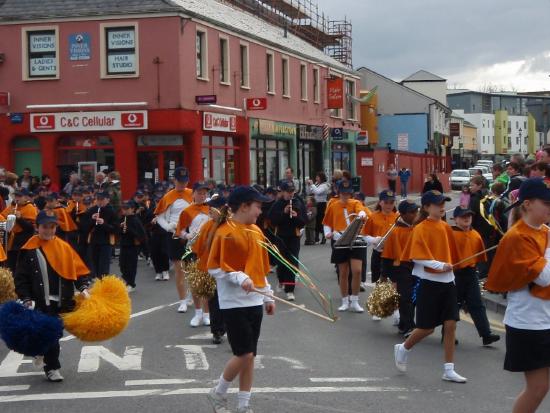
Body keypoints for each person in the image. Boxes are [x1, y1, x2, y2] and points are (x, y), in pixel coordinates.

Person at [206, 186, 275, 413]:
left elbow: (260, 268)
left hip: (255, 300)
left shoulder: (256, 231)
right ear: (244, 206)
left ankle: (244, 404)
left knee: (250, 356)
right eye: (257, 206)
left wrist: (268, 295)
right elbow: (215, 267)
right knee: (243, 353)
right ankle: (218, 392)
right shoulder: (225, 232)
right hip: (233, 303)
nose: (260, 211)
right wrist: (237, 276)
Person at [485, 178, 550, 413]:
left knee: (541, 388)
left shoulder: (544, 232)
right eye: (546, 203)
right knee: (538, 388)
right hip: (529, 323)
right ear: (528, 204)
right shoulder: (517, 237)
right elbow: (543, 276)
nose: (549, 208)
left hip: (545, 318)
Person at [395, 190, 467, 383]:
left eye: (443, 203)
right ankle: (403, 348)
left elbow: (452, 255)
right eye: (437, 204)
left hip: (448, 283)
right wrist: (440, 265)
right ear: (426, 208)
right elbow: (417, 256)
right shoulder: (420, 228)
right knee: (427, 329)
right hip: (429, 283)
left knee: (450, 324)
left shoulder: (445, 227)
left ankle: (448, 369)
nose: (442, 207)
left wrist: (450, 268)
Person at [14, 210, 90, 382]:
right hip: (39, 302)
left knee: (53, 334)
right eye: (44, 227)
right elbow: (21, 277)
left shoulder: (64, 247)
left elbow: (77, 271)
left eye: (52, 227)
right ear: (37, 227)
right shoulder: (29, 248)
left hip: (62, 301)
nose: (48, 230)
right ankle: (53, 367)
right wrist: (25, 297)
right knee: (50, 335)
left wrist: (83, 287)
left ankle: (43, 355)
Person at [451, 206, 500, 346]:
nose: (466, 218)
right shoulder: (450, 234)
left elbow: (479, 257)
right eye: (462, 216)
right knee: (453, 305)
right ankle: (448, 333)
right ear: (455, 219)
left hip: (471, 273)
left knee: (477, 304)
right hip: (455, 274)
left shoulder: (475, 234)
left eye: (469, 216)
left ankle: (486, 334)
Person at [322, 180, 368, 313]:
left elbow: (361, 212)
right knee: (343, 272)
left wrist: (361, 215)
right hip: (340, 240)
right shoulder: (333, 205)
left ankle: (355, 300)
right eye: (343, 193)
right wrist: (327, 233)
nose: (345, 195)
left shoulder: (356, 203)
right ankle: (344, 300)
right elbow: (327, 222)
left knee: (357, 270)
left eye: (348, 193)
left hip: (355, 240)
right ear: (339, 192)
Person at [154, 167, 193, 312]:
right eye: (180, 181)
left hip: (191, 234)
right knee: (179, 269)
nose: (183, 184)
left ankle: (190, 295)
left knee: (192, 268)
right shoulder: (168, 196)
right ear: (174, 180)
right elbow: (159, 217)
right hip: (174, 234)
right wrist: (168, 226)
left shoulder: (193, 194)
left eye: (185, 181)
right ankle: (182, 300)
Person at [191, 195, 228, 344]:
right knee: (214, 300)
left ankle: (223, 328)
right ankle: (217, 330)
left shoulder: (229, 225)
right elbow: (198, 248)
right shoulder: (207, 226)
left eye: (212, 207)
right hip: (212, 268)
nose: (209, 210)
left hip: (227, 269)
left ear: (220, 209)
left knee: (225, 299)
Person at [381, 199, 419, 336]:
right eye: (412, 212)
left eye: (416, 211)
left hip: (416, 268)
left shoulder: (416, 228)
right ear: (403, 214)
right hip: (401, 267)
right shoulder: (395, 232)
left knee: (412, 298)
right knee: (405, 298)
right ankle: (409, 326)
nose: (416, 214)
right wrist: (384, 275)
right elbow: (387, 255)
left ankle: (404, 323)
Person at [176, 182, 211, 326]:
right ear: (193, 194)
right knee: (195, 283)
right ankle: (197, 314)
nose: (202, 196)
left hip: (209, 250)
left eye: (204, 193)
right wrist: (187, 236)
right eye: (200, 193)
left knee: (207, 284)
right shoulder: (187, 211)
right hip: (193, 250)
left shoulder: (211, 209)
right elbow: (180, 230)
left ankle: (207, 314)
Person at [267, 181, 307, 301]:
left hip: (294, 236)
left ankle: (290, 290)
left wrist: (296, 216)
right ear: (283, 192)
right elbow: (272, 221)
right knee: (281, 261)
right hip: (280, 236)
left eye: (292, 191)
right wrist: (284, 213)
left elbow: (304, 221)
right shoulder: (277, 204)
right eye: (288, 192)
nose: (291, 194)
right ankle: (281, 280)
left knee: (292, 261)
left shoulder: (298, 202)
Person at [1, 188, 38, 273]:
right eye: (16, 196)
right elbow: (2, 217)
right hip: (11, 240)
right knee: (9, 265)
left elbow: (31, 228)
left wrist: (20, 218)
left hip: (23, 241)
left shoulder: (30, 208)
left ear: (26, 198)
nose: (17, 198)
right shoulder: (12, 206)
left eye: (19, 196)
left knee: (20, 265)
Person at [84, 192, 117, 278]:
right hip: (94, 241)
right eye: (98, 199)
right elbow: (84, 227)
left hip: (106, 242)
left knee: (104, 267)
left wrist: (104, 223)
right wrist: (92, 220)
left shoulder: (112, 211)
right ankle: (98, 283)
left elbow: (115, 229)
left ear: (108, 200)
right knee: (95, 265)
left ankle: (104, 285)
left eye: (102, 199)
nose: (99, 202)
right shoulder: (92, 210)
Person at [119, 200, 147, 292]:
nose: (125, 210)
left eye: (127, 208)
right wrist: (120, 227)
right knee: (122, 264)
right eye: (123, 208)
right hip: (123, 245)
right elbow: (117, 232)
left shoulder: (135, 220)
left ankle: (131, 283)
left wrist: (129, 229)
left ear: (132, 209)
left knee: (131, 265)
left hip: (132, 246)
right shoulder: (122, 218)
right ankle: (126, 280)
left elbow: (141, 235)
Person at [306, 172, 330, 244]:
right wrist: (308, 185)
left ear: (321, 178)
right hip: (315, 204)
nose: (316, 179)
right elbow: (309, 192)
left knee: (321, 220)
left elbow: (317, 192)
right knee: (315, 221)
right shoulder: (316, 184)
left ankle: (323, 237)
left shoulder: (325, 185)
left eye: (317, 177)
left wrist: (312, 184)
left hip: (322, 204)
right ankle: (316, 237)